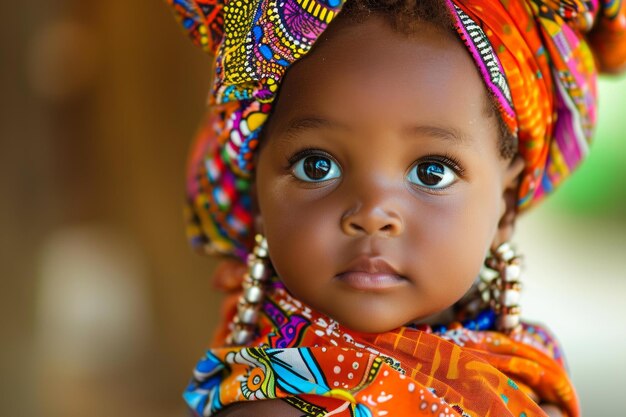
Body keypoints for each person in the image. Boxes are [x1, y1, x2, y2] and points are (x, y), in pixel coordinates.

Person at [165, 0, 626, 416]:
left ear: (505, 203)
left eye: (432, 172)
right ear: (257, 189)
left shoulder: (528, 382)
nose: (372, 213)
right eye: (316, 165)